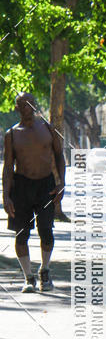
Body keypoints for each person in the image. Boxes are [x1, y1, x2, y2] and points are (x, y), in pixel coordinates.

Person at [2, 93, 65, 293]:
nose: (27, 107)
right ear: (17, 108)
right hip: (21, 186)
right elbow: (8, 167)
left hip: (45, 186)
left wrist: (61, 182)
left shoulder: (48, 129)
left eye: (30, 103)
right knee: (21, 235)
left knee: (46, 231)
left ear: (35, 105)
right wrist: (6, 195)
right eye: (22, 104)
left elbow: (59, 156)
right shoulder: (12, 134)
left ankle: (44, 270)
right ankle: (28, 277)